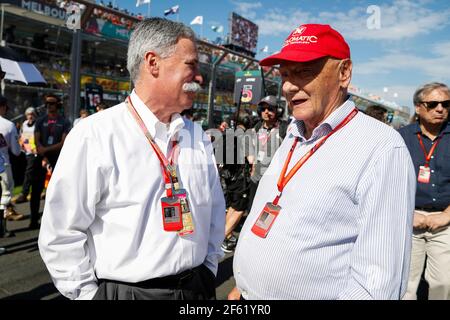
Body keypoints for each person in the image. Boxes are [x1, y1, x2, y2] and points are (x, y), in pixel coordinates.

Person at [38, 18, 225, 300]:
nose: (199, 77)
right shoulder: (95, 134)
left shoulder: (196, 135)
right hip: (128, 293)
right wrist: (89, 297)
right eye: (191, 64)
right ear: (153, 63)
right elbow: (61, 232)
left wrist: (208, 271)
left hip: (196, 288)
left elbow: (214, 212)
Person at [229, 24, 416, 300]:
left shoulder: (382, 148)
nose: (290, 86)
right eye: (285, 74)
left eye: (304, 71)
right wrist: (243, 284)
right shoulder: (293, 133)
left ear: (344, 73)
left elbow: (377, 285)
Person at [399, 82, 450, 300]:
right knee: (407, 284)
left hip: (445, 220)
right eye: (433, 104)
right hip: (408, 219)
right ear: (419, 107)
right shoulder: (401, 138)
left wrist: (447, 215)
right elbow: (390, 182)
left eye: (446, 104)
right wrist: (407, 214)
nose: (441, 109)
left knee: (443, 283)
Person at [30, 94, 71, 229]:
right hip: (42, 157)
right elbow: (36, 139)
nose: (49, 106)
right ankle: (33, 219)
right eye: (47, 103)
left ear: (58, 105)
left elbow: (63, 142)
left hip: (57, 159)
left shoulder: (64, 122)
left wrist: (46, 150)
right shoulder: (40, 121)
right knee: (36, 190)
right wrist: (42, 151)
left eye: (52, 103)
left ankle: (54, 221)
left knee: (57, 190)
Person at [247, 95, 288, 212]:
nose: (266, 112)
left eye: (270, 109)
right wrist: (252, 162)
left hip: (274, 179)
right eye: (264, 109)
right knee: (253, 209)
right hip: (256, 177)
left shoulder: (283, 129)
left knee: (267, 211)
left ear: (278, 111)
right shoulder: (257, 127)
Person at [220, 112, 252, 253]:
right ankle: (221, 239)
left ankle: (225, 235)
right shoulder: (244, 135)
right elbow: (251, 159)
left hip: (228, 177)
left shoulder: (228, 133)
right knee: (239, 209)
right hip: (240, 178)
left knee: (232, 206)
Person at [0, 95, 23, 223]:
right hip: (3, 164)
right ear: (3, 107)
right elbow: (16, 151)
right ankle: (2, 230)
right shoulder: (8, 125)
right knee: (5, 196)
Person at [12, 107, 38, 204]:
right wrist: (21, 143)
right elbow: (21, 136)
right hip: (24, 152)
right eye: (28, 114)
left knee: (28, 172)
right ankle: (31, 191)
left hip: (34, 153)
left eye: (32, 114)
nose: (30, 116)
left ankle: (24, 193)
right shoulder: (24, 124)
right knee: (30, 173)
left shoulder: (37, 125)